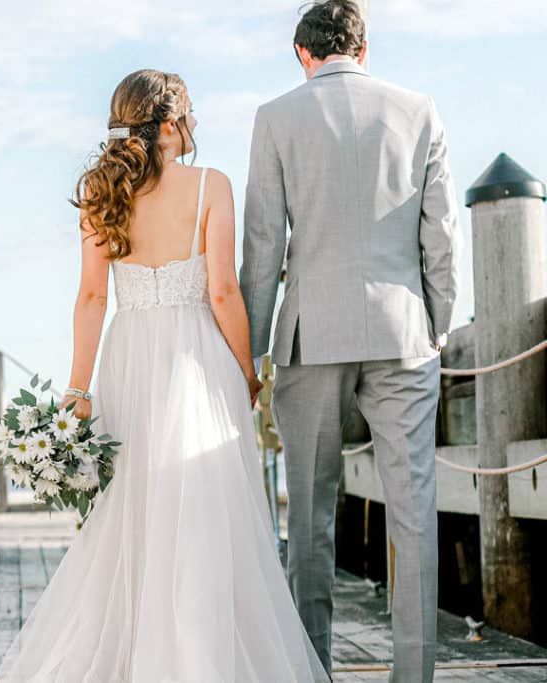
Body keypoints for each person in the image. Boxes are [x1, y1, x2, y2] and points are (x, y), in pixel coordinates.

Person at [0, 68, 328, 682]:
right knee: (202, 508)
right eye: (192, 112)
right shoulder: (210, 186)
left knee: (135, 508)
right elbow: (224, 292)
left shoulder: (103, 193)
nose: (197, 123)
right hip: (197, 359)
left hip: (129, 356)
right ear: (171, 124)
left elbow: (91, 298)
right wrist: (246, 371)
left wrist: (77, 391)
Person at [239, 2, 461, 681]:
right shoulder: (419, 110)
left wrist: (249, 349)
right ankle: (415, 674)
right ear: (364, 48)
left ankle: (312, 667)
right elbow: (442, 237)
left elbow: (262, 243)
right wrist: (439, 324)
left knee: (309, 515)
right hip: (403, 332)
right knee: (415, 512)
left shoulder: (277, 117)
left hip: (310, 336)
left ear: (303, 55)